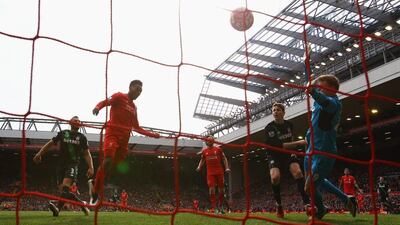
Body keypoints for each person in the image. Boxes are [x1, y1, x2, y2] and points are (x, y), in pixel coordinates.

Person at [90, 80, 160, 204]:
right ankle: (95, 190)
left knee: (114, 165)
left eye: (140, 91)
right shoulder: (119, 96)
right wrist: (97, 107)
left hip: (124, 139)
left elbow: (137, 127)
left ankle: (97, 182)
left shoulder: (134, 107)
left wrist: (152, 135)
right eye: (137, 89)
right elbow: (105, 102)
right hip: (113, 133)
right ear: (130, 87)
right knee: (108, 159)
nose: (138, 92)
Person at [303, 74, 357, 220]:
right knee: (314, 183)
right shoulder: (318, 103)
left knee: (309, 187)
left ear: (332, 89)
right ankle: (326, 207)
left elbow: (322, 99)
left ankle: (328, 206)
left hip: (323, 152)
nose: (319, 90)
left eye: (321, 87)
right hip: (310, 150)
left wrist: (313, 91)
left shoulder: (334, 103)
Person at [33, 116, 93, 216]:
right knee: (65, 193)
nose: (78, 122)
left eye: (79, 121)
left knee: (65, 188)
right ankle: (82, 205)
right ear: (70, 123)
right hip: (61, 165)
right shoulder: (63, 133)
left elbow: (87, 153)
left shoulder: (82, 137)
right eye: (75, 121)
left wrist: (91, 167)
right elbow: (50, 143)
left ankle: (57, 209)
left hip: (73, 164)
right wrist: (39, 153)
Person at [264, 102, 310, 218]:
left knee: (298, 172)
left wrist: (294, 148)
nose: (275, 112)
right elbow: (279, 145)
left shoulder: (290, 125)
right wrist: (299, 142)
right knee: (275, 177)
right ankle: (279, 205)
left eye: (278, 110)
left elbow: (290, 140)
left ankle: (307, 204)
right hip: (274, 155)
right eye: (274, 110)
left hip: (288, 154)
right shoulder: (269, 128)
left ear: (283, 112)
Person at [196, 136, 230, 214]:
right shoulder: (205, 151)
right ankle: (214, 207)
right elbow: (202, 160)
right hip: (210, 173)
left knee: (221, 189)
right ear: (207, 142)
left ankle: (220, 205)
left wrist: (227, 167)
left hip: (219, 172)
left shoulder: (218, 149)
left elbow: (224, 158)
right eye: (208, 141)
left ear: (213, 142)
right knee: (211, 189)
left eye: (210, 141)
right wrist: (199, 167)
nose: (209, 142)